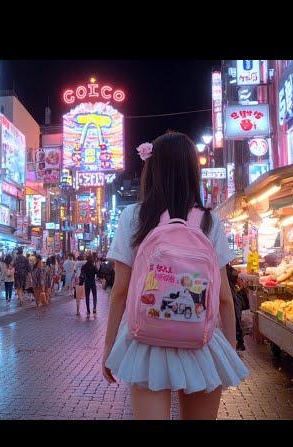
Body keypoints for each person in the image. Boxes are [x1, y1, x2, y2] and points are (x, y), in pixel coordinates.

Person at [102, 132, 248, 420]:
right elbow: (223, 298)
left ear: (152, 169)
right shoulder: (208, 220)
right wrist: (229, 349)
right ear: (193, 171)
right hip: (200, 339)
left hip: (146, 340)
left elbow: (120, 291)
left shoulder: (134, 216)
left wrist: (109, 349)